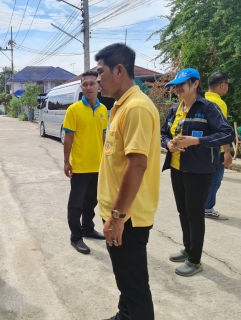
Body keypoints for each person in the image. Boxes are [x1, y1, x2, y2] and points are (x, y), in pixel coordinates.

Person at [96, 43, 161, 320]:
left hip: (127, 217)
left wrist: (118, 216)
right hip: (119, 214)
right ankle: (125, 315)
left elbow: (137, 165)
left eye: (101, 72)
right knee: (125, 279)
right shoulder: (120, 107)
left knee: (134, 285)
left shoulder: (135, 108)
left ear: (119, 70)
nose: (97, 79)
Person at [161, 68, 234, 277]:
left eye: (181, 86)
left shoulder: (208, 107)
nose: (177, 90)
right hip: (177, 167)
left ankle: (195, 260)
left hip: (199, 170)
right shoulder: (175, 109)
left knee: (195, 214)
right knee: (183, 211)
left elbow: (226, 133)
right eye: (175, 87)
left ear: (195, 84)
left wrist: (197, 141)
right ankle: (187, 248)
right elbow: (164, 134)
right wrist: (169, 145)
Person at [62, 70, 108, 254]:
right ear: (81, 87)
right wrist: (66, 161)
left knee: (92, 201)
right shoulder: (73, 110)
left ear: (98, 86)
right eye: (85, 84)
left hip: (98, 165)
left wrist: (108, 160)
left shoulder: (103, 109)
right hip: (80, 167)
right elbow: (68, 138)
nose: (88, 87)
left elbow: (104, 136)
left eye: (92, 83)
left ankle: (87, 228)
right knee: (76, 204)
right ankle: (76, 236)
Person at [204, 72, 232, 220]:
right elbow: (222, 130)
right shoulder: (219, 103)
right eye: (227, 84)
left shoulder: (200, 99)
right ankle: (207, 208)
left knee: (203, 179)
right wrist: (227, 150)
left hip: (201, 147)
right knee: (216, 179)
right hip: (217, 149)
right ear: (222, 85)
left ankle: (200, 205)